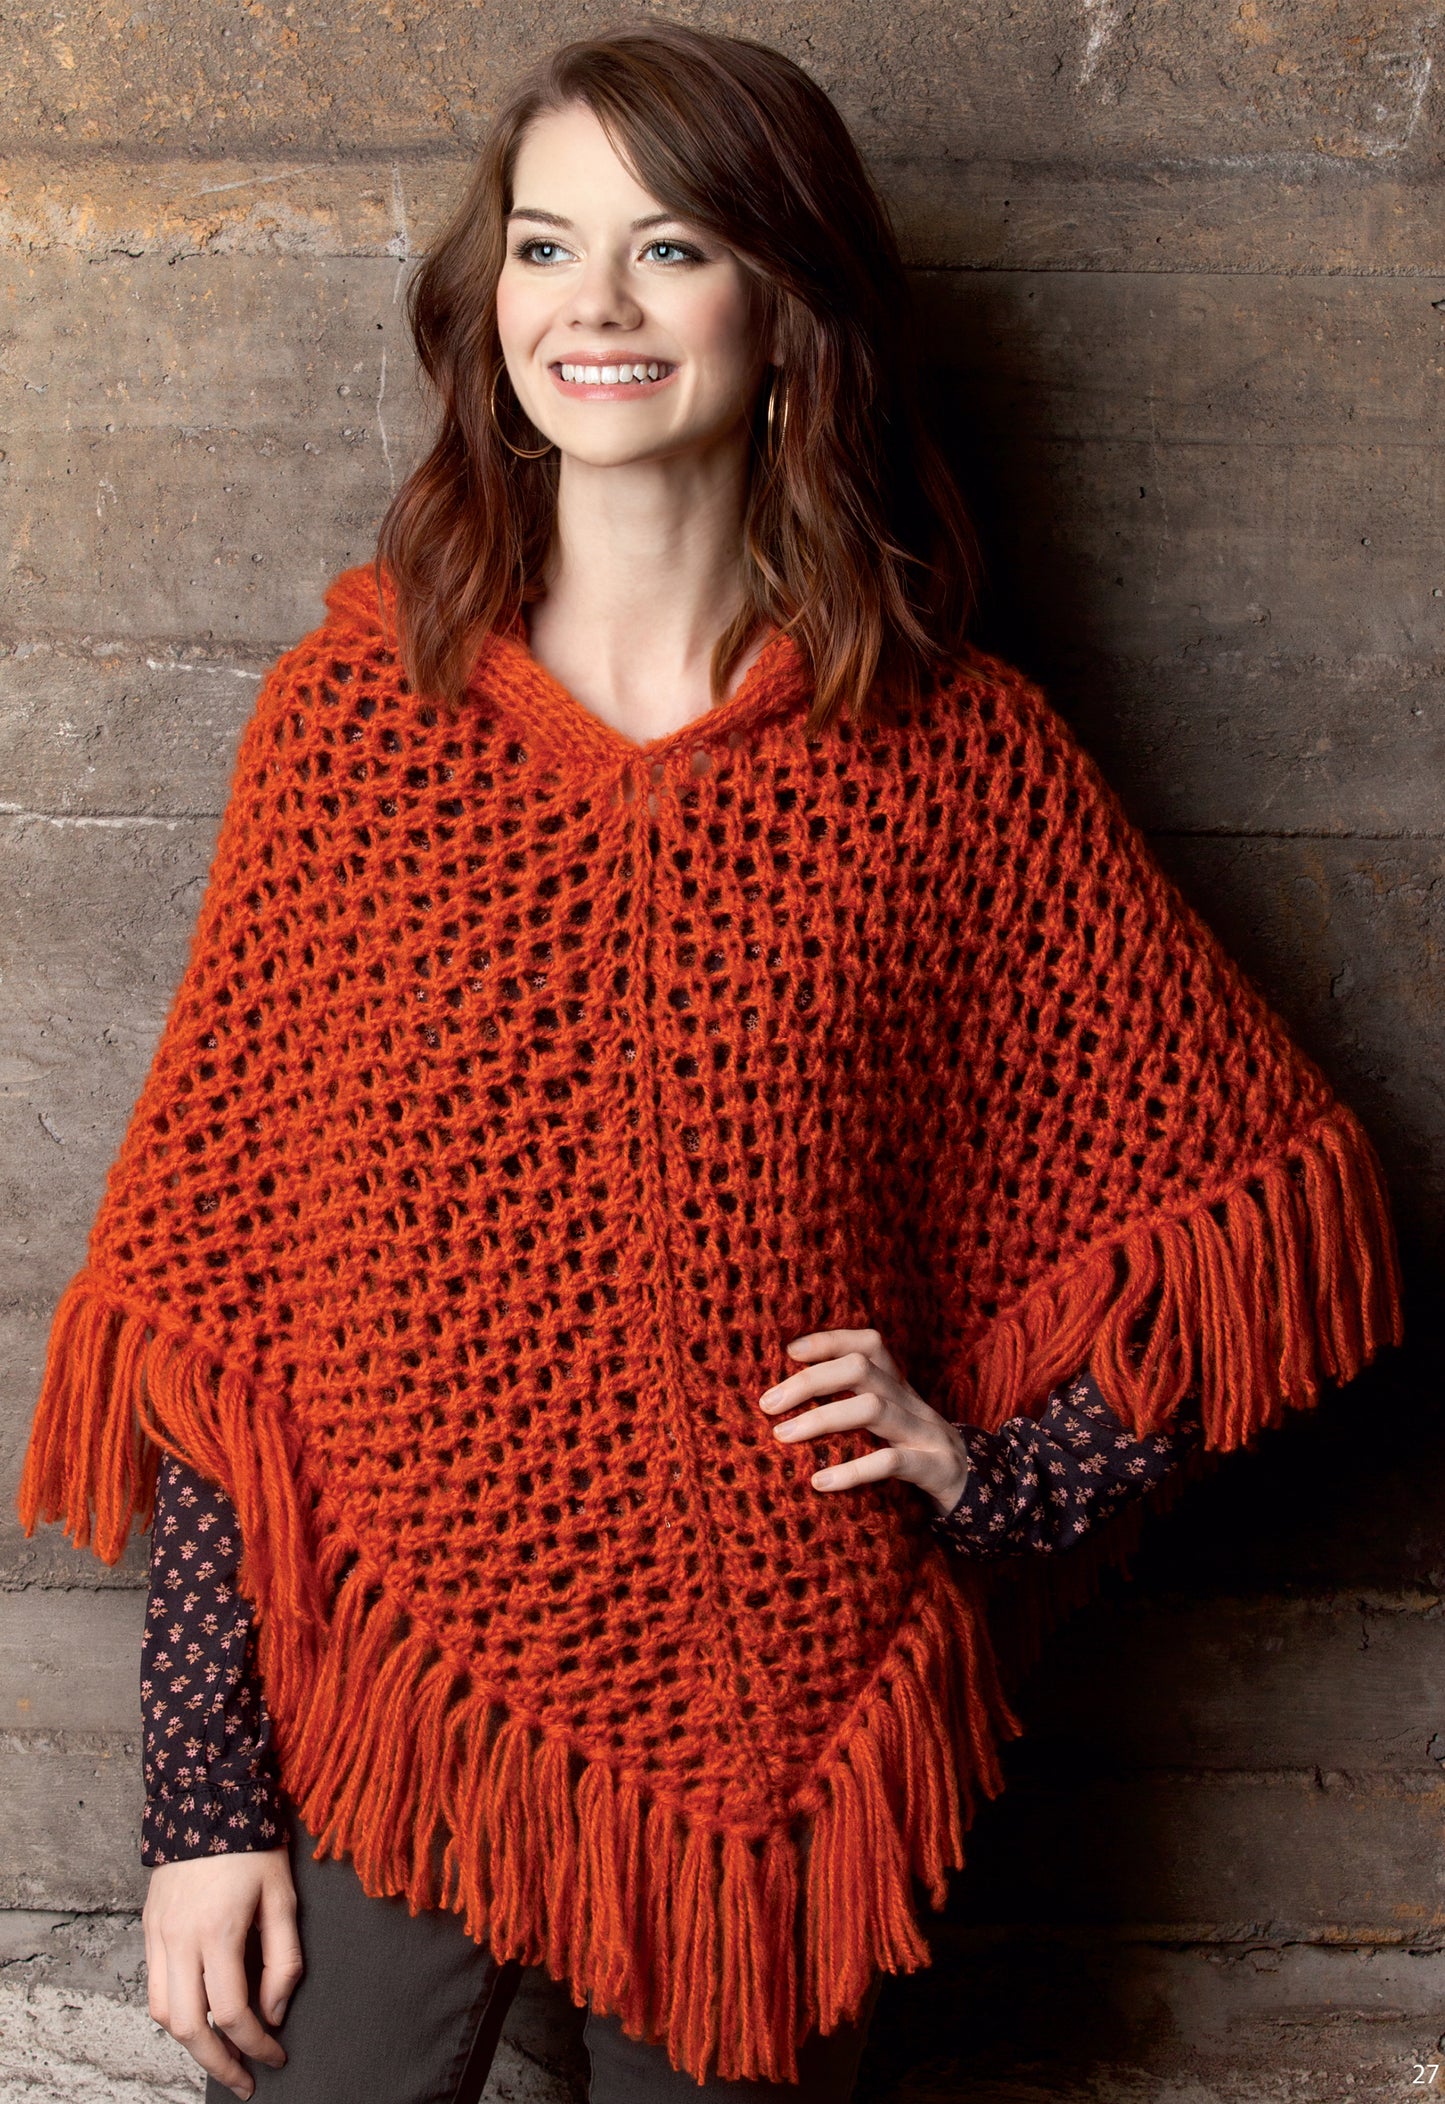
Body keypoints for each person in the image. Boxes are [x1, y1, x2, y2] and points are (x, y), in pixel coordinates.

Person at [16, 22, 1401, 2104]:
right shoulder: (351, 736)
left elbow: (1268, 1203)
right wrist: (201, 1804)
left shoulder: (950, 764)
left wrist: (997, 1474)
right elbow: (229, 1318)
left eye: (668, 249)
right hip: (400, 1691)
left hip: (780, 1726)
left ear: (786, 308)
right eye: (548, 247)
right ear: (487, 308)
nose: (593, 306)